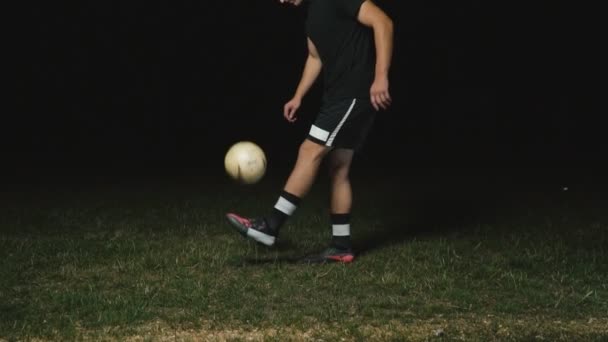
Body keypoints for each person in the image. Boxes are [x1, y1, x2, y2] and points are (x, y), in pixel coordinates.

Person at [226, 0, 393, 263]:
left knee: (310, 150)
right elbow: (315, 58)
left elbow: (383, 22)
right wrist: (298, 96)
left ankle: (270, 226)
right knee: (339, 169)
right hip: (338, 96)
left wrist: (381, 75)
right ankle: (341, 247)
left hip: (354, 92)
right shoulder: (312, 18)